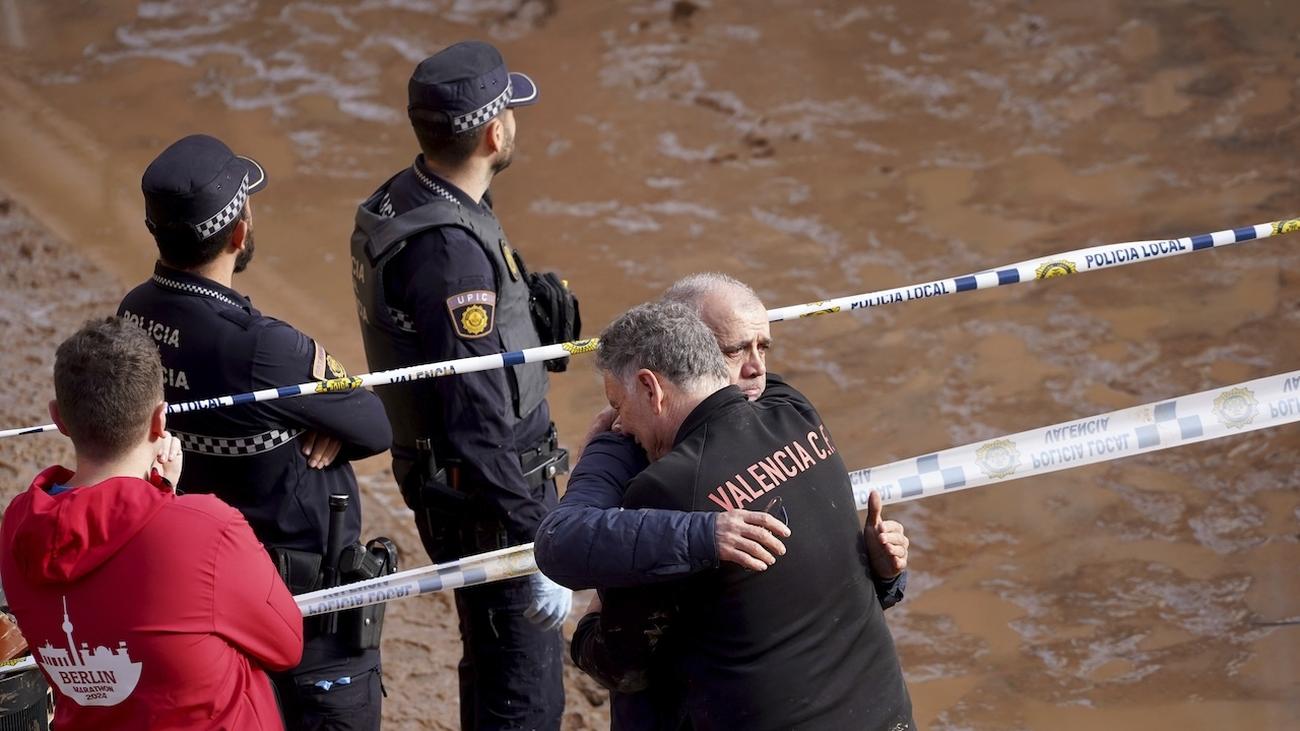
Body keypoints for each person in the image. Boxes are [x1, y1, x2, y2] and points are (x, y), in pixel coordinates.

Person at [534, 274, 909, 729]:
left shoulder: (668, 487)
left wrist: (597, 611)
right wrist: (886, 577)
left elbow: (619, 663)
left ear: (652, 388)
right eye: (737, 350)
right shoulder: (794, 412)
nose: (619, 425)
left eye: (618, 406)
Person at [118, 134, 393, 730]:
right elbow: (374, 424)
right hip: (298, 610)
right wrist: (317, 424)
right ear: (239, 231)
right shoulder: (266, 347)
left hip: (196, 589)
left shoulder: (134, 313)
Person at [349, 40, 575, 730]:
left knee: (494, 662)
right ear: (492, 131)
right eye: (511, 110)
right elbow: (477, 420)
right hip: (488, 498)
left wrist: (525, 316)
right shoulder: (448, 255)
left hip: (455, 484)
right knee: (525, 692)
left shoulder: (414, 194)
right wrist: (543, 541)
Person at [0, 317, 303, 730]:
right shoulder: (208, 529)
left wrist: (160, 498)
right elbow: (287, 645)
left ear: (60, 420)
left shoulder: (18, 528)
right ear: (161, 421)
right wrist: (169, 502)